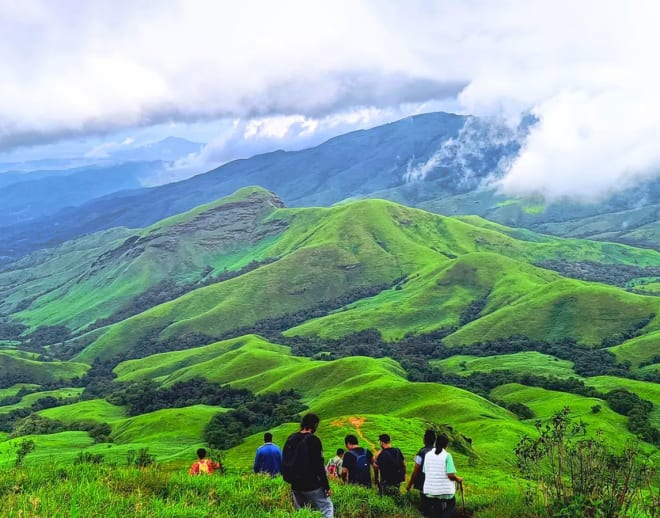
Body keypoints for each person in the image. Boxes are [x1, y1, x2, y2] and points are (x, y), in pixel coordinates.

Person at [282, 413, 333, 518]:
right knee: (327, 508)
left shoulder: (291, 438)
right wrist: (326, 486)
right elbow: (319, 466)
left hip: (295, 484)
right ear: (314, 425)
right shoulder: (313, 440)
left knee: (302, 513)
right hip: (312, 484)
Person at [423, 434, 463, 518]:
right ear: (446, 445)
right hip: (445, 492)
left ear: (436, 443)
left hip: (430, 490)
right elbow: (450, 475)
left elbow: (425, 471)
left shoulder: (427, 455)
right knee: (451, 504)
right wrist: (457, 479)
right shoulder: (447, 456)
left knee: (436, 507)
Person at [406, 429, 436, 517]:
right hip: (437, 486)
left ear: (424, 440)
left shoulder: (421, 452)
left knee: (426, 510)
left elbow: (416, 471)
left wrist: (410, 484)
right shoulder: (440, 452)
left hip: (424, 485)